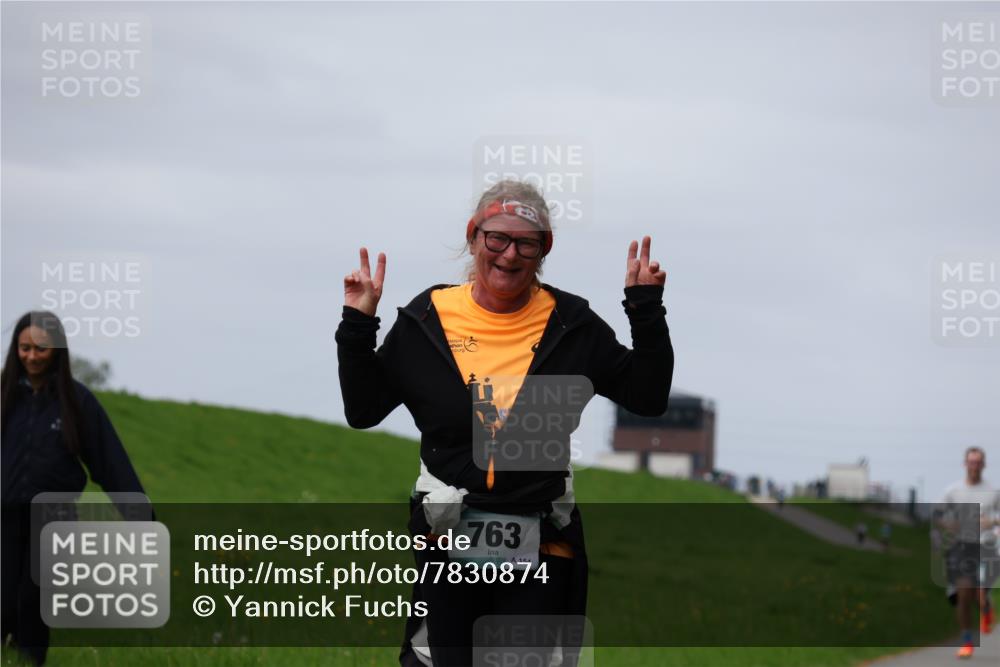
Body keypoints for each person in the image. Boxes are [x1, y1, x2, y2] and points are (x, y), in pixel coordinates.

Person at [336, 180, 674, 666]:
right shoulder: (428, 318)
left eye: (526, 243)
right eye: (497, 238)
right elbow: (363, 410)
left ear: (543, 251)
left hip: (542, 537)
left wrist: (645, 310)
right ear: (474, 237)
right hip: (447, 534)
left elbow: (646, 396)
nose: (509, 255)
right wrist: (357, 324)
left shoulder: (571, 324)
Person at [1, 311, 149, 665]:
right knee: (3, 603)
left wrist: (139, 514)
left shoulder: (76, 402)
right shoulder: (3, 398)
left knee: (32, 605)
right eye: (24, 348)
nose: (32, 356)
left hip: (53, 521)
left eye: (41, 348)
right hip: (4, 518)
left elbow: (109, 461)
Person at [937, 446, 1000, 659]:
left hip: (986, 547)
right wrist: (950, 525)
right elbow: (940, 515)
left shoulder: (993, 492)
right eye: (971, 462)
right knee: (964, 595)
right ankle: (966, 641)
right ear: (965, 464)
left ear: (984, 465)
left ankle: (986, 609)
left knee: (980, 596)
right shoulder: (952, 491)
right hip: (961, 547)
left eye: (978, 462)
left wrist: (992, 521)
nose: (974, 466)